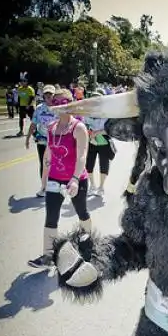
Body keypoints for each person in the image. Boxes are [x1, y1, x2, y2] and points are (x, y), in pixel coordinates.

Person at [28, 89, 91, 268]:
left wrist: (75, 179)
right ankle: (48, 257)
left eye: (63, 103)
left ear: (70, 104)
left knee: (82, 213)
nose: (59, 107)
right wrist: (44, 179)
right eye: (56, 103)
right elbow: (48, 152)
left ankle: (88, 245)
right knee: (51, 217)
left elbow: (82, 156)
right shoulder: (51, 127)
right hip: (55, 178)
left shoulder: (78, 127)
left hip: (75, 179)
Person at [25, 84, 57, 197]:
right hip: (43, 140)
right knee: (43, 164)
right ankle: (44, 187)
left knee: (55, 163)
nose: (48, 97)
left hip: (56, 141)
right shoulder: (39, 109)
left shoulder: (59, 108)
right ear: (43, 96)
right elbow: (34, 123)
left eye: (50, 94)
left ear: (54, 95)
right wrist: (28, 137)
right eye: (46, 94)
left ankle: (55, 186)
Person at [84, 91, 114, 197]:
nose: (95, 101)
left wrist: (98, 132)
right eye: (93, 99)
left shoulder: (108, 113)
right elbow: (84, 125)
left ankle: (101, 187)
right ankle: (92, 186)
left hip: (104, 142)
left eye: (98, 99)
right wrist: (89, 131)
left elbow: (112, 128)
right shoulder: (87, 112)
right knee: (88, 165)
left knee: (104, 165)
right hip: (91, 141)